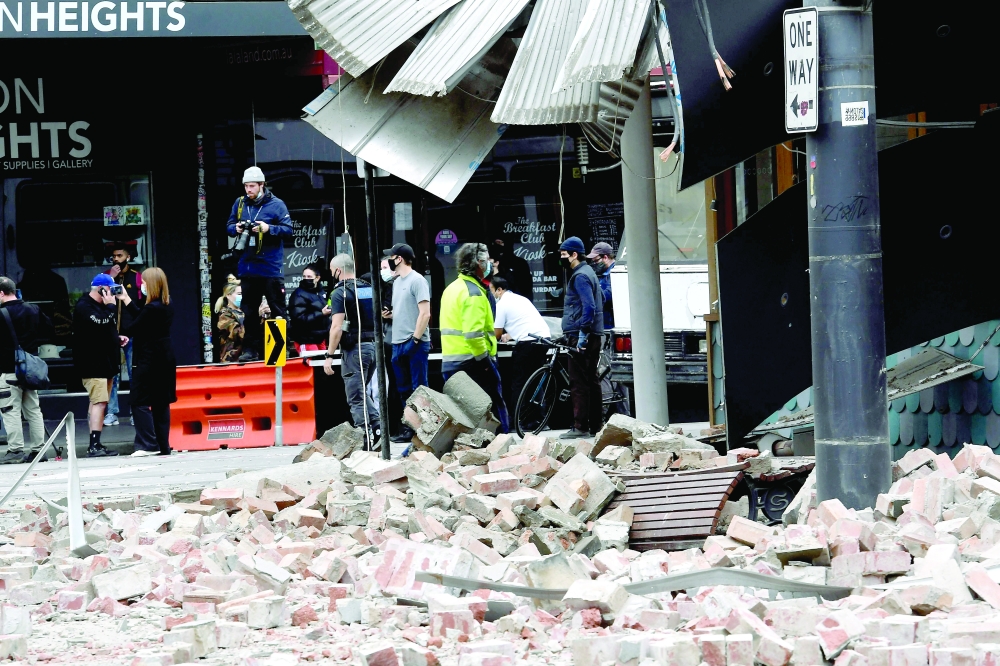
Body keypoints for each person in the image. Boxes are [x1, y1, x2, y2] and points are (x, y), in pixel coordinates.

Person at [226, 166, 293, 362]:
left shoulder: (277, 204)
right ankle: (251, 350)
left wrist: (268, 228)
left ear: (262, 185)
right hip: (247, 267)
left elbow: (288, 230)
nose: (249, 190)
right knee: (249, 311)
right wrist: (236, 228)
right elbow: (228, 226)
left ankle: (281, 348)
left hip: (270, 267)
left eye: (252, 186)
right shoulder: (239, 203)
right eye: (246, 186)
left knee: (277, 310)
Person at [440, 243, 508, 433]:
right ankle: (504, 451)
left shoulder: (452, 289)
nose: (491, 265)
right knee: (495, 409)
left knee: (461, 416)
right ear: (478, 263)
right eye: (487, 261)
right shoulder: (474, 293)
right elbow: (474, 334)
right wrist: (485, 362)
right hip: (474, 363)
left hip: (452, 362)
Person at [116, 268, 177, 457]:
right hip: (164, 358)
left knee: (138, 400)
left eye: (143, 282)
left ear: (150, 285)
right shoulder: (166, 304)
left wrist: (115, 304)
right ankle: (162, 445)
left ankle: (147, 444)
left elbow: (132, 327)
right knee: (161, 403)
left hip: (149, 359)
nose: (140, 285)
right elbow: (141, 317)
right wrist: (126, 299)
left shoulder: (152, 308)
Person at [324, 255, 381, 441]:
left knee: (356, 397)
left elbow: (337, 327)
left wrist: (329, 355)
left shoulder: (339, 293)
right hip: (373, 348)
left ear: (338, 271)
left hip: (355, 350)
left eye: (333, 271)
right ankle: (378, 429)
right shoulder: (369, 288)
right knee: (362, 392)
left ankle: (365, 436)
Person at [0, 276, 53, 464]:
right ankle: (39, 450)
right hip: (30, 369)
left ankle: (15, 450)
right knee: (33, 410)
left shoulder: (2, 313)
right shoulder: (33, 309)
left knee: (10, 410)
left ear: (1, 293)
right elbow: (49, 330)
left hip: (8, 370)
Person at [73, 274, 126, 457]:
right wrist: (111, 305)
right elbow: (99, 321)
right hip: (93, 363)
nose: (113, 292)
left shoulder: (102, 307)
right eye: (110, 288)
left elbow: (102, 330)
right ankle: (94, 445)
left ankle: (96, 442)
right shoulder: (84, 306)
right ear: (102, 289)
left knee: (100, 402)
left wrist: (116, 338)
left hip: (107, 362)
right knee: (99, 402)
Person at [383, 243, 431, 443]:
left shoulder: (417, 280)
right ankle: (409, 428)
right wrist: (391, 315)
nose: (388, 261)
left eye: (391, 257)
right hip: (398, 341)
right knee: (403, 388)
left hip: (414, 341)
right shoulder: (396, 282)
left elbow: (425, 313)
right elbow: (409, 310)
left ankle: (424, 428)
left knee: (418, 388)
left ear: (399, 259)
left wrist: (416, 338)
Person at [559, 236, 605, 439]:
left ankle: (580, 426)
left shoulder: (580, 276)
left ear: (574, 254)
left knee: (578, 382)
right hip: (593, 334)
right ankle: (597, 424)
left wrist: (581, 336)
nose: (562, 258)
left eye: (564, 254)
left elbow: (590, 307)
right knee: (591, 380)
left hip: (581, 335)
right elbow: (600, 299)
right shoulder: (590, 273)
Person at [490, 276, 551, 411]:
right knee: (535, 381)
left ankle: (519, 418)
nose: (491, 294)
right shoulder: (521, 299)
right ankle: (537, 418)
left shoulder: (501, 304)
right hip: (543, 339)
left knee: (519, 382)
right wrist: (512, 334)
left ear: (499, 290)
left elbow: (496, 334)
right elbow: (525, 321)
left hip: (528, 344)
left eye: (492, 290)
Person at [105, 242, 145, 427]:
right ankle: (111, 412)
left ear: (128, 257)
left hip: (132, 333)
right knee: (112, 375)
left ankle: (134, 411)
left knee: (133, 373)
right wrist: (110, 279)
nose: (116, 259)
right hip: (111, 333)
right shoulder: (106, 276)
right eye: (114, 256)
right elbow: (96, 298)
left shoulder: (137, 278)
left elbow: (142, 305)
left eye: (119, 255)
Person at [378, 258, 402, 438]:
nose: (382, 271)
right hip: (390, 339)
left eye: (385, 267)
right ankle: (395, 426)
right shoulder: (384, 287)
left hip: (396, 338)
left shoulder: (401, 285)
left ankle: (396, 426)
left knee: (397, 384)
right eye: (381, 268)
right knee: (394, 384)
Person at [289, 263, 331, 353]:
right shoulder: (298, 294)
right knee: (310, 364)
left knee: (322, 364)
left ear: (317, 278)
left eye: (309, 276)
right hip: (305, 339)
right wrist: (321, 313)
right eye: (304, 276)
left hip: (320, 337)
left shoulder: (321, 292)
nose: (306, 279)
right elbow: (298, 318)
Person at [587, 242, 616, 329]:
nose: (595, 264)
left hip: (610, 323)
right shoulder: (603, 273)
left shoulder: (615, 272)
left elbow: (610, 294)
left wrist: (590, 295)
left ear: (606, 257)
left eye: (596, 261)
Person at [215, 277, 244, 362]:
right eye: (239, 294)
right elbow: (237, 334)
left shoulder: (246, 311)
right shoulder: (224, 314)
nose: (242, 296)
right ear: (228, 295)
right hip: (232, 359)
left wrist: (264, 316)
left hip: (249, 358)